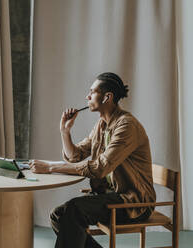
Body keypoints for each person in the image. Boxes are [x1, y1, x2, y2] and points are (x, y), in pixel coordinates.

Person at [29, 72, 156, 248]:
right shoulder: (101, 125)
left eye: (92, 92)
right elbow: (76, 156)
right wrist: (65, 132)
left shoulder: (127, 126)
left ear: (107, 97)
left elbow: (99, 168)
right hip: (110, 196)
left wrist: (51, 168)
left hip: (133, 202)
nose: (87, 96)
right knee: (58, 215)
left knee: (74, 210)